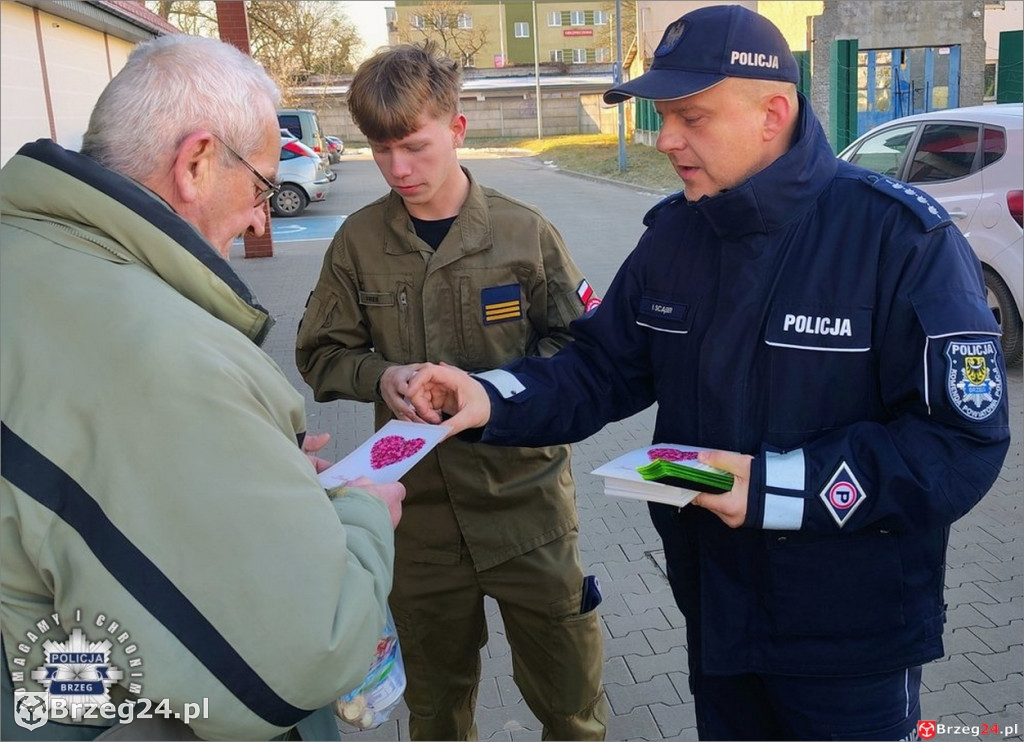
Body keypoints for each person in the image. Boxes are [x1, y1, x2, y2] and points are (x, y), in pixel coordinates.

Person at [403, 6, 1011, 741]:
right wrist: (489, 397)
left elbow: (959, 443)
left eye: (691, 117)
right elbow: (600, 367)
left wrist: (774, 488)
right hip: (715, 610)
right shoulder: (677, 236)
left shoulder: (900, 238)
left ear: (772, 112)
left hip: (850, 638)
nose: (666, 140)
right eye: (663, 117)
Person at [0, 34, 405, 741]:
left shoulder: (32, 256)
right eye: (258, 187)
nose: (259, 215)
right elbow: (306, 649)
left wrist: (256, 467)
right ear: (195, 163)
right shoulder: (149, 347)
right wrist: (364, 515)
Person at [295, 41, 608, 742]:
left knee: (571, 707)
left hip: (526, 510)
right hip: (417, 520)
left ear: (457, 129)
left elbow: (588, 350)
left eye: (414, 145)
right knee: (436, 713)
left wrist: (492, 391)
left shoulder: (525, 235)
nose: (398, 169)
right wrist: (385, 376)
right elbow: (320, 354)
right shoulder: (358, 242)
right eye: (381, 150)